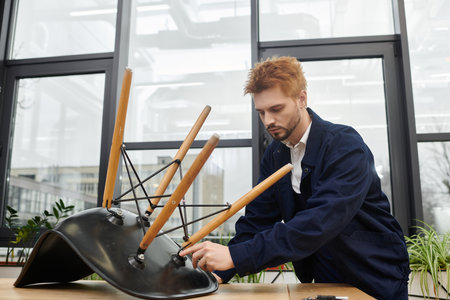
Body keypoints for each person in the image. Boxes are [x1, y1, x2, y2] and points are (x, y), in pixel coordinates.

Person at [179, 56, 410, 299]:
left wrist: (236, 256)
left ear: (302, 98)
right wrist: (220, 273)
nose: (268, 120)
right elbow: (258, 220)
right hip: (325, 278)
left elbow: (320, 221)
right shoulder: (276, 153)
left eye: (276, 109)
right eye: (261, 112)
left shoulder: (345, 146)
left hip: (373, 273)